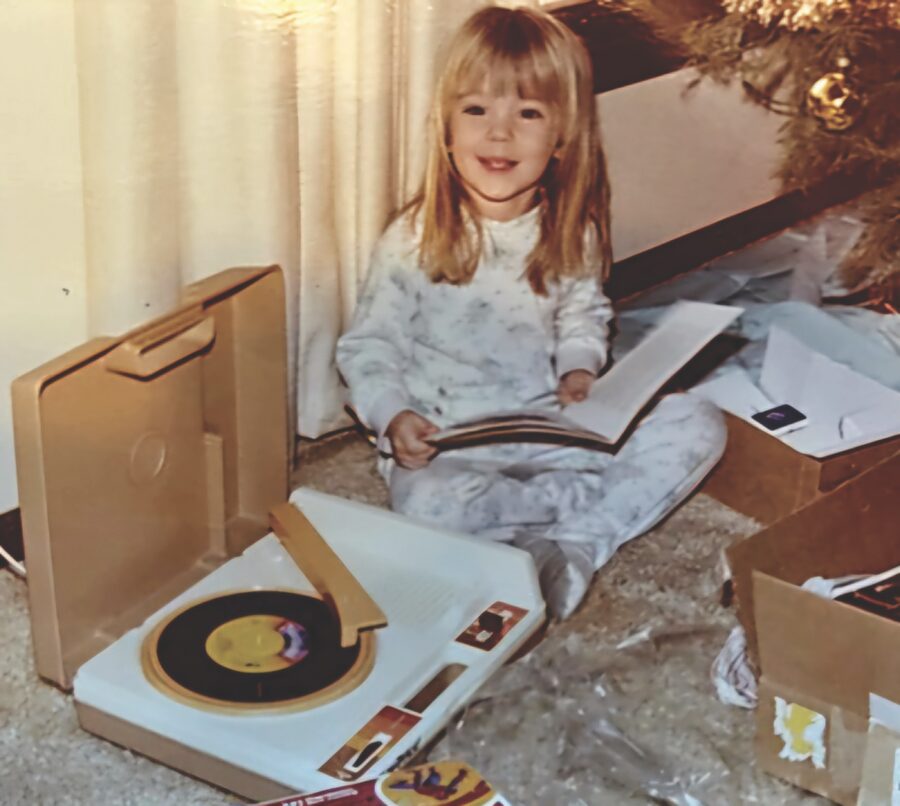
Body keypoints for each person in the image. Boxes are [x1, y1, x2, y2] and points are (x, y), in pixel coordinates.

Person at [336, 6, 725, 619]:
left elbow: (584, 311)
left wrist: (580, 368)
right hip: (453, 447)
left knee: (698, 422)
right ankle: (558, 518)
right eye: (477, 110)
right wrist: (394, 416)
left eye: (528, 113)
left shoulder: (573, 230)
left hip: (554, 434)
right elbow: (369, 345)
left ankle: (575, 545)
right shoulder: (415, 237)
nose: (499, 134)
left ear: (562, 136)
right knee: (430, 505)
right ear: (446, 128)